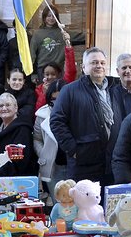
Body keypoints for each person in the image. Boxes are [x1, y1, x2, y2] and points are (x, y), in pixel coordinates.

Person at [50, 47, 121, 184]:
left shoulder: (115, 88)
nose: (99, 66)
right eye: (94, 62)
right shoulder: (70, 90)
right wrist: (73, 150)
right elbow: (56, 121)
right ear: (83, 67)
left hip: (111, 163)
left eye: (102, 63)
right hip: (83, 164)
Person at [34, 79, 67, 203]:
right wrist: (43, 153)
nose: (57, 102)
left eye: (61, 98)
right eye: (53, 99)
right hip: (53, 166)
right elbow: (37, 138)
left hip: (73, 164)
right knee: (58, 202)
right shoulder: (42, 114)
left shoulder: (75, 111)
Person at [29, 5, 69, 84]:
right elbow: (32, 55)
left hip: (58, 70)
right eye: (49, 16)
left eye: (53, 16)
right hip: (42, 70)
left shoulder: (63, 33)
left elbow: (81, 37)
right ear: (44, 17)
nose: (51, 18)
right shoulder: (38, 34)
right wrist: (33, 74)